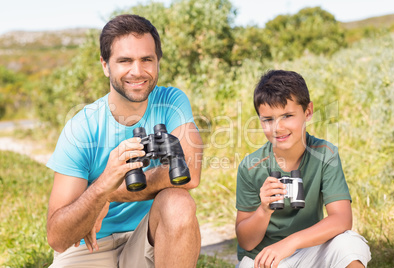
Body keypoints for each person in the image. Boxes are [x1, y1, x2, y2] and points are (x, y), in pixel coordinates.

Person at [46, 14, 203, 268]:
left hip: (148, 239)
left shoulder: (172, 101)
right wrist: (101, 186)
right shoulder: (82, 127)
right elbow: (57, 237)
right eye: (125, 61)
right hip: (91, 244)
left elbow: (190, 173)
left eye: (146, 60)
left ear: (158, 62)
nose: (137, 71)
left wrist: (109, 195)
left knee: (178, 202)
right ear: (105, 65)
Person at [235, 70, 371, 268]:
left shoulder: (325, 154)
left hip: (308, 249)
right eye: (268, 120)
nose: (278, 128)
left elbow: (342, 219)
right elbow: (246, 241)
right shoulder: (251, 166)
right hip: (263, 259)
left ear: (308, 112)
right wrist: (263, 210)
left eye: (288, 116)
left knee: (348, 243)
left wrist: (290, 243)